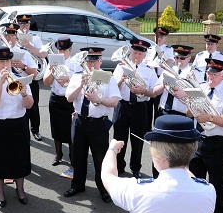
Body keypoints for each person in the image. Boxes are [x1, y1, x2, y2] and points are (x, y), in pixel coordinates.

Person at [174, 59, 223, 213]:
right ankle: (198, 206)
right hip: (200, 139)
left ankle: (217, 210)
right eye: (209, 73)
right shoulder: (201, 87)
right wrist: (190, 102)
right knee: (196, 177)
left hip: (219, 142)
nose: (210, 76)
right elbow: (189, 114)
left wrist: (209, 117)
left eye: (214, 74)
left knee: (216, 179)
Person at [0, 46, 34, 207]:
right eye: (2, 61)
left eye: (8, 61)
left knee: (19, 158)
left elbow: (29, 105)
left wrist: (24, 92)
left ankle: (20, 189)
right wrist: (1, 82)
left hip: (17, 124)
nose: (5, 65)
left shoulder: (21, 79)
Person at [64, 51, 120, 202]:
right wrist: (81, 84)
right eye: (89, 61)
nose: (91, 64)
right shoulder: (77, 76)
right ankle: (77, 185)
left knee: (100, 158)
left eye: (95, 61)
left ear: (101, 61)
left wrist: (99, 99)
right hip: (80, 121)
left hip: (98, 123)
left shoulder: (109, 78)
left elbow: (115, 101)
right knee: (77, 155)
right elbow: (69, 98)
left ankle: (104, 189)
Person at [112, 39, 158, 178]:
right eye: (134, 52)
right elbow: (112, 88)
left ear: (144, 55)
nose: (136, 56)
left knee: (137, 140)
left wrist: (144, 91)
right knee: (119, 138)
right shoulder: (121, 66)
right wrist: (120, 79)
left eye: (139, 53)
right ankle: (119, 166)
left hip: (140, 107)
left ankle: (135, 168)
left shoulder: (149, 70)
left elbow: (154, 92)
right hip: (123, 106)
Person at [0, 22, 39, 141]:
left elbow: (35, 73)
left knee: (29, 110)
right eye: (7, 35)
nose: (10, 38)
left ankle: (32, 132)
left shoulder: (23, 52)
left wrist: (23, 66)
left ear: (16, 36)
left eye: (12, 35)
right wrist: (3, 60)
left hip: (23, 86)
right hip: (2, 86)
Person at [43, 37, 77, 166]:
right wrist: (51, 70)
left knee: (71, 129)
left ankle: (72, 155)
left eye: (64, 50)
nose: (61, 53)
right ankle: (58, 154)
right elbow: (46, 83)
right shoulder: (53, 61)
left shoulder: (75, 63)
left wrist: (69, 78)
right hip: (56, 99)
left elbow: (80, 82)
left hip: (70, 99)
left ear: (70, 50)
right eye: (59, 50)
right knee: (56, 128)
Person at [16, 14, 48, 141]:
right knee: (19, 104)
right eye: (22, 24)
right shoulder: (13, 37)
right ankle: (22, 131)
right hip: (18, 76)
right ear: (18, 24)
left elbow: (43, 54)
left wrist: (29, 46)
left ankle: (35, 129)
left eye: (27, 24)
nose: (24, 26)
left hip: (32, 76)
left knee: (34, 105)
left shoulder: (34, 38)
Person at [144, 26, 174, 128]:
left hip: (160, 79)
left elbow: (170, 62)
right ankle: (147, 129)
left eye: (161, 37)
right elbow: (145, 64)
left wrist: (161, 56)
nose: (159, 39)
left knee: (158, 106)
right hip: (150, 79)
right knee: (148, 106)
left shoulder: (168, 49)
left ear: (165, 38)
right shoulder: (149, 50)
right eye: (157, 36)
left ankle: (157, 126)